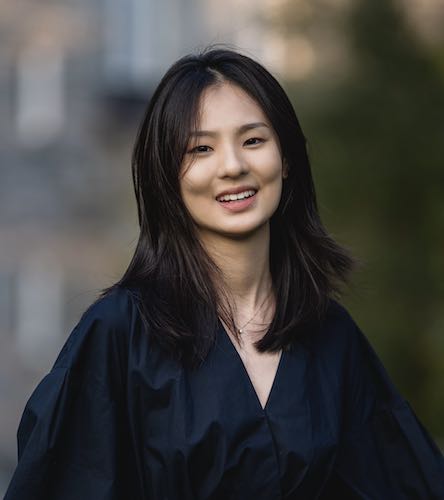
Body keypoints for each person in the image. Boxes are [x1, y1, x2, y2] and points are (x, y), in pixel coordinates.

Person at [4, 48, 444, 500]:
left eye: (253, 140)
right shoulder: (119, 335)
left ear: (286, 158)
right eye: (201, 148)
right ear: (167, 176)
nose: (233, 166)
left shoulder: (329, 336)